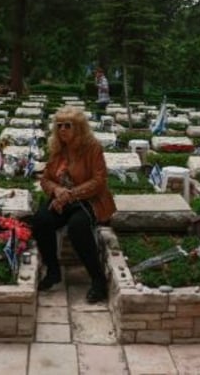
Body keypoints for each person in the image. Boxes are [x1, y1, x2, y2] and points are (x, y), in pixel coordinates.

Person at [32, 105, 116, 303]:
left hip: (89, 200)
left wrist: (70, 194)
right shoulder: (56, 149)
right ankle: (53, 271)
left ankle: (98, 281)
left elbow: (99, 181)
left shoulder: (92, 148)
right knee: (41, 220)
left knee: (78, 227)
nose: (62, 129)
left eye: (67, 125)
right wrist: (57, 190)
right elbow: (45, 179)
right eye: (59, 125)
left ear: (78, 128)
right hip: (62, 200)